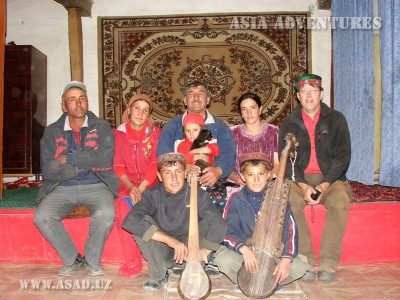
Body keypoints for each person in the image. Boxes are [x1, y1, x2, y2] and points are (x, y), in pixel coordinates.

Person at [34, 81, 118, 276]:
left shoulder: (102, 127)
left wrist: (70, 157)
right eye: (72, 99)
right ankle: (72, 259)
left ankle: (92, 261)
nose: (78, 103)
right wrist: (87, 159)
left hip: (97, 183)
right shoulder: (52, 131)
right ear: (64, 106)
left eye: (82, 98)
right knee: (42, 217)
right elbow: (49, 169)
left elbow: (105, 159)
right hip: (61, 186)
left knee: (106, 214)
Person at [278, 74, 352, 281]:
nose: (309, 95)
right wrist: (302, 185)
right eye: (304, 91)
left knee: (340, 199)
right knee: (289, 200)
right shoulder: (289, 123)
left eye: (313, 91)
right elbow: (287, 158)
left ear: (321, 94)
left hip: (331, 177)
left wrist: (325, 183)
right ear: (298, 96)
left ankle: (328, 262)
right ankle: (305, 260)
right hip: (298, 177)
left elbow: (343, 156)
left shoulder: (337, 119)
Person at [122, 153, 227, 292]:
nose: (174, 178)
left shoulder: (197, 194)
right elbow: (130, 220)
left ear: (185, 174)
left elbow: (219, 224)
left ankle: (197, 264)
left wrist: (204, 251)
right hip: (165, 250)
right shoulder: (152, 195)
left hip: (192, 251)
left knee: (208, 221)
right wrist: (169, 240)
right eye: (167, 173)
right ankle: (159, 273)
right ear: (159, 177)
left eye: (178, 171)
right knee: (142, 223)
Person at [214, 152, 308, 292]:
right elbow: (228, 230)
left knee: (301, 266)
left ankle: (269, 282)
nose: (256, 179)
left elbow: (291, 231)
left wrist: (286, 259)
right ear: (243, 177)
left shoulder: (280, 199)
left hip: (272, 253)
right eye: (251, 175)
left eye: (261, 174)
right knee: (223, 260)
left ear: (269, 175)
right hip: (246, 253)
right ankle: (244, 281)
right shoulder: (236, 199)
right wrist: (244, 249)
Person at [113, 94, 161, 278]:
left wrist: (140, 188)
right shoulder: (118, 134)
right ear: (129, 110)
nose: (140, 113)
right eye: (137, 108)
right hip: (126, 183)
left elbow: (155, 164)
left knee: (152, 211)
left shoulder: (155, 133)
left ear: (149, 115)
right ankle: (132, 262)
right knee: (123, 210)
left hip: (151, 183)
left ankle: (156, 259)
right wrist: (131, 187)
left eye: (145, 110)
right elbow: (118, 165)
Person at [156, 81, 236, 188]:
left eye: (201, 93)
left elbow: (229, 154)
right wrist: (182, 168)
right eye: (191, 93)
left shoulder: (221, 127)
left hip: (212, 184)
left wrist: (218, 170)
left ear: (208, 100)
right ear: (184, 100)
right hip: (179, 184)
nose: (196, 97)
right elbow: (163, 155)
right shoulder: (172, 126)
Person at [229, 92, 280, 187]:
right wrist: (240, 181)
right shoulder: (231, 133)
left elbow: (277, 164)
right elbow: (226, 165)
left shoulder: (274, 132)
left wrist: (266, 183)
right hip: (239, 185)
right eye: (244, 109)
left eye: (253, 107)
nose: (249, 113)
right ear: (241, 113)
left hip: (268, 184)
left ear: (260, 109)